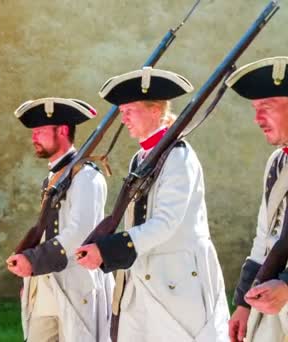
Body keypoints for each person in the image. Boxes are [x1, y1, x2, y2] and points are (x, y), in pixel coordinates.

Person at [76, 67, 230, 341]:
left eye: (130, 110)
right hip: (142, 277)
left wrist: (109, 249)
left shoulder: (178, 155)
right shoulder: (143, 157)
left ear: (155, 111)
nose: (124, 119)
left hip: (177, 281)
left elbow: (166, 222)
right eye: (122, 111)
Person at [6, 97, 114, 341]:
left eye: (41, 131)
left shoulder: (87, 176)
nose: (34, 137)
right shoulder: (55, 177)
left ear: (63, 130)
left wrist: (34, 260)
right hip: (46, 284)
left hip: (75, 283)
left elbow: (79, 232)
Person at [225, 56, 288, 342]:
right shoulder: (278, 163)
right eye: (255, 109)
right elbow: (265, 238)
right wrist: (242, 304)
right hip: (272, 311)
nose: (257, 118)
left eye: (266, 107)